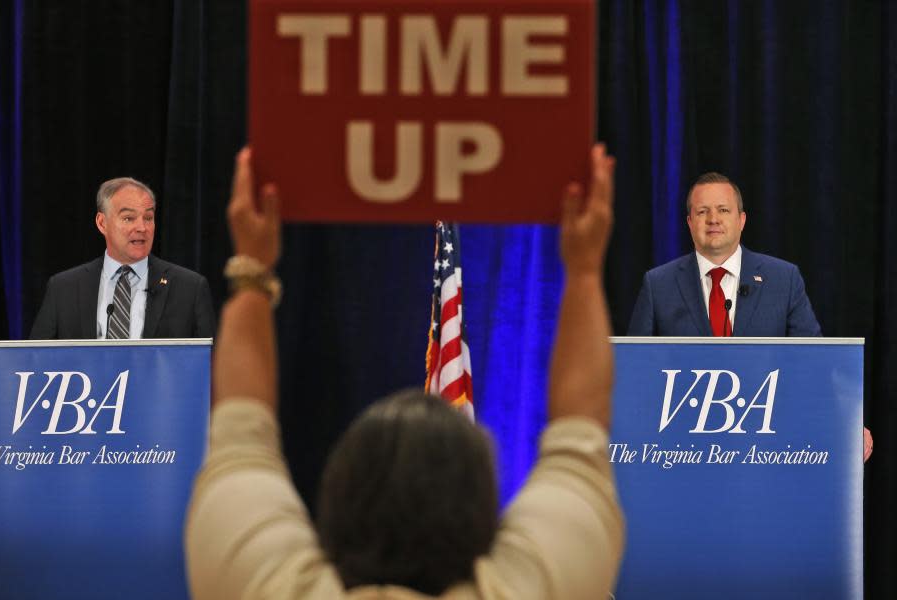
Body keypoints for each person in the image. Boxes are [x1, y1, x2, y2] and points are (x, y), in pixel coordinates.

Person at [184, 145, 624, 599]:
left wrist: (253, 266)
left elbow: (241, 431)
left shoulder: (267, 589)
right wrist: (585, 269)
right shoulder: (532, 589)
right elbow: (580, 430)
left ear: (335, 506)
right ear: (483, 514)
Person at [627, 172, 873, 461]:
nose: (713, 219)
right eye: (702, 211)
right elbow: (635, 372)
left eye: (723, 210)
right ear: (689, 222)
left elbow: (815, 363)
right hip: (681, 451)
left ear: (741, 220)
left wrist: (845, 424)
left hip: (766, 450)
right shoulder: (658, 284)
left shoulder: (783, 279)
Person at [30, 177, 215, 339]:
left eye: (148, 218)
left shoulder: (190, 288)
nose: (142, 227)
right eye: (128, 218)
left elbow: (209, 366)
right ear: (102, 223)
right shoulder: (63, 288)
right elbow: (36, 362)